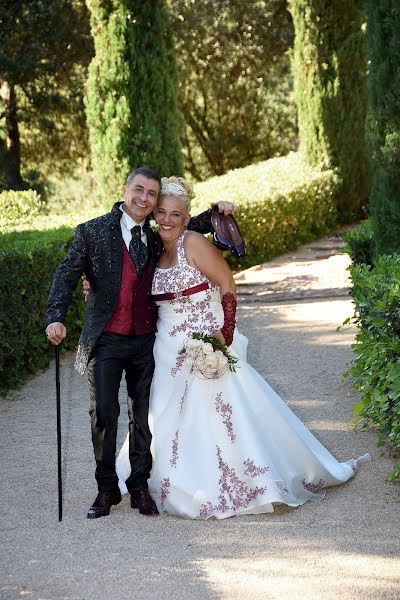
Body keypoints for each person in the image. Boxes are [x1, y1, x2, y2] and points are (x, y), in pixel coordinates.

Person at [116, 176, 370, 519]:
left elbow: (226, 282)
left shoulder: (194, 243)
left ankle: (236, 481)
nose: (166, 219)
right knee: (163, 414)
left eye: (175, 214)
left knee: (221, 413)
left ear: (187, 218)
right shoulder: (150, 248)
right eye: (161, 211)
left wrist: (226, 332)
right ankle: (158, 479)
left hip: (203, 341)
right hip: (165, 347)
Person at [45, 167, 236, 519]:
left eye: (151, 194)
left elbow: (185, 226)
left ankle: (138, 486)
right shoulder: (91, 232)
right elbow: (66, 273)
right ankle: (105, 490)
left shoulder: (154, 235)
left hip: (146, 341)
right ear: (124, 190)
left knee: (142, 416)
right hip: (104, 340)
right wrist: (55, 315)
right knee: (103, 412)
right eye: (139, 190)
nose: (144, 198)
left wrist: (219, 210)